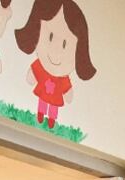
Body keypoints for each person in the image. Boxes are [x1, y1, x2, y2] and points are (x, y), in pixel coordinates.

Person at [14, 0, 97, 129]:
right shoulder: (41, 67)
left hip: (55, 96)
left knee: (53, 107)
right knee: (42, 102)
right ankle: (41, 113)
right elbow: (32, 75)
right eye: (50, 37)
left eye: (65, 44)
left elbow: (67, 89)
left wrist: (68, 92)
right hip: (43, 93)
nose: (56, 50)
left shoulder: (63, 78)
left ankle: (52, 119)